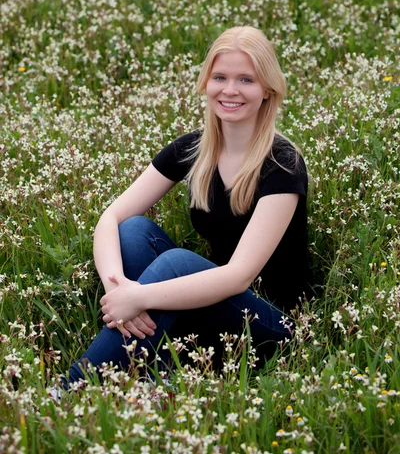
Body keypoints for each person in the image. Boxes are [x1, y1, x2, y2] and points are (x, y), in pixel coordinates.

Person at [59, 26, 312, 390]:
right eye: (220, 77)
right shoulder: (195, 149)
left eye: (246, 80)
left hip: (269, 324)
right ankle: (151, 368)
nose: (230, 90)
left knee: (175, 263)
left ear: (268, 89)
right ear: (205, 82)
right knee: (131, 230)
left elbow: (238, 276)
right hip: (210, 306)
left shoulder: (282, 164)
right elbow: (110, 217)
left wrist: (140, 296)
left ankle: (71, 390)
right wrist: (119, 290)